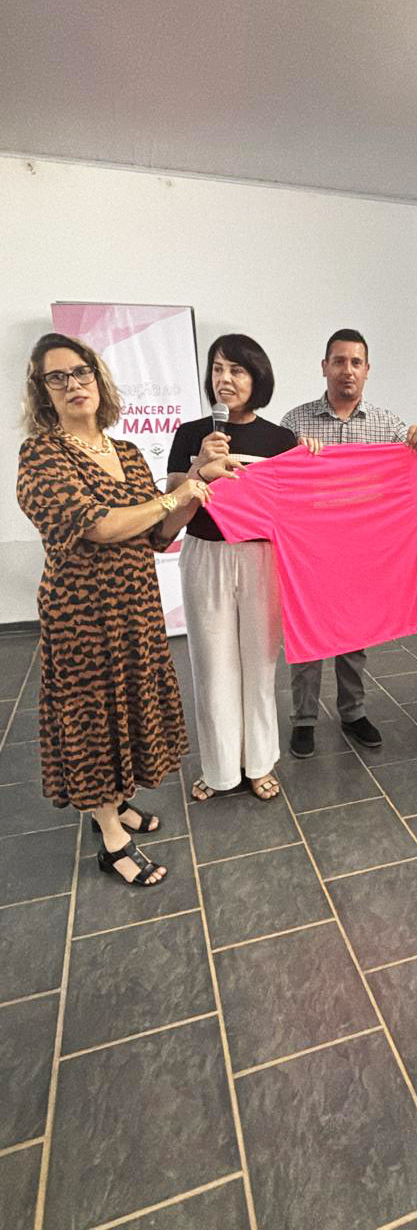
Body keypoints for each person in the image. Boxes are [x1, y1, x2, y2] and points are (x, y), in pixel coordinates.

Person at [16, 333, 209, 887]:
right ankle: (111, 839)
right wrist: (174, 496)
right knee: (94, 721)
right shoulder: (41, 455)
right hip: (82, 616)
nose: (73, 384)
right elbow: (97, 526)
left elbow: (157, 535)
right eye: (57, 377)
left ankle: (116, 802)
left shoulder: (125, 452)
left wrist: (193, 492)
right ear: (43, 391)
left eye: (81, 372)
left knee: (127, 709)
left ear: (98, 379)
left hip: (136, 609)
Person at [280, 328, 417, 757]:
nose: (347, 370)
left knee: (353, 634)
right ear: (324, 367)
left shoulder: (388, 425)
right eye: (339, 361)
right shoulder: (294, 423)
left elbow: (414, 472)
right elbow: (278, 481)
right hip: (309, 550)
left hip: (362, 551)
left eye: (356, 362)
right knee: (307, 635)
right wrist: (296, 455)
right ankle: (304, 718)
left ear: (367, 370)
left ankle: (353, 711)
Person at [167, 334, 297, 801]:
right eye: (218, 368)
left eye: (237, 370)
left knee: (259, 667)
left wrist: (314, 456)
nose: (225, 378)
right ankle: (220, 769)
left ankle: (259, 763)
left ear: (256, 377)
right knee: (212, 667)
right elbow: (170, 510)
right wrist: (199, 468)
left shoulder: (280, 439)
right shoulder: (191, 434)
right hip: (206, 555)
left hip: (261, 558)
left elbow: (294, 507)